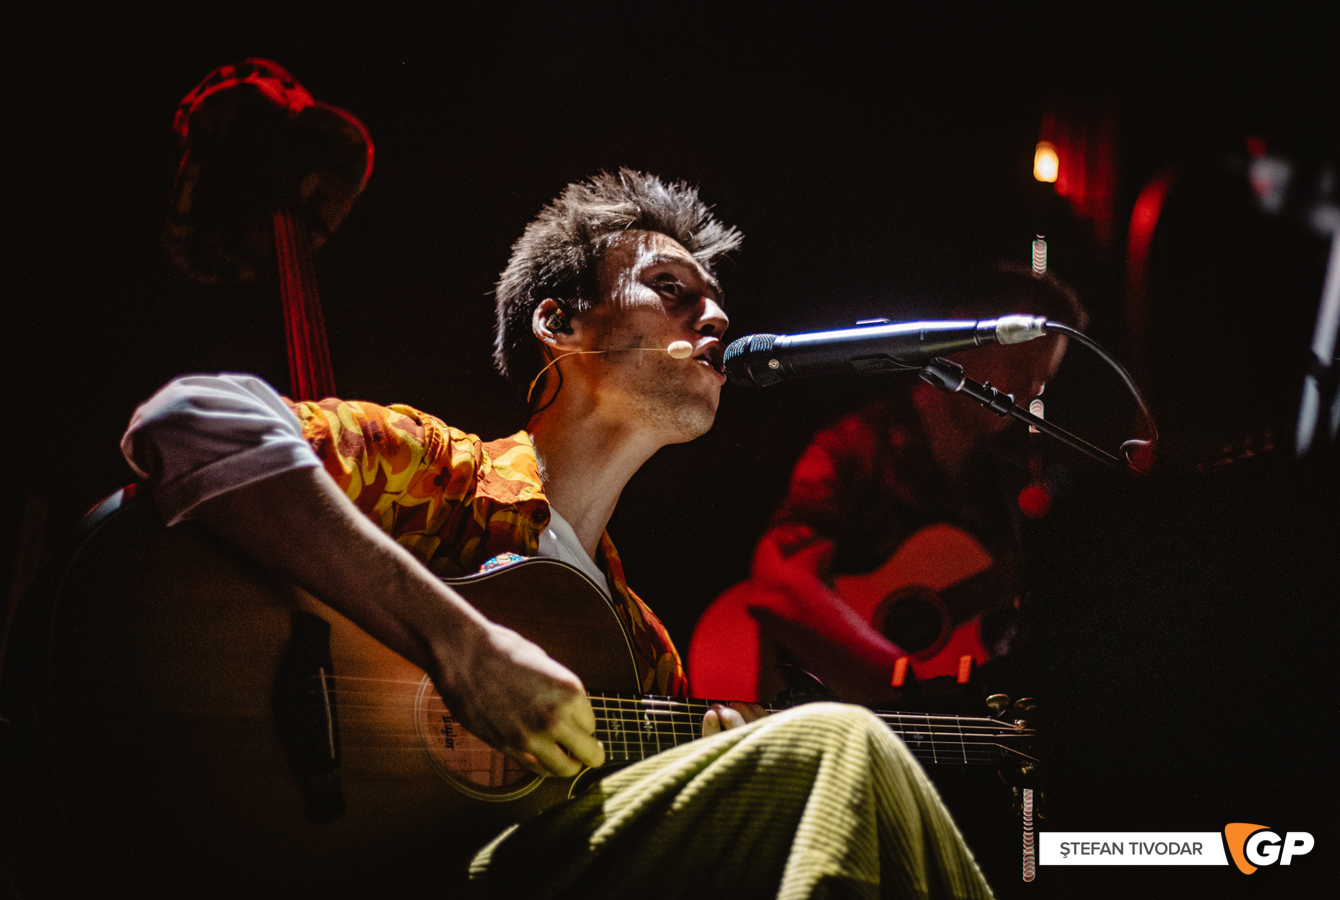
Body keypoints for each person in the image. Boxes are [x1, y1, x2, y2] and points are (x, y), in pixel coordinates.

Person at [122, 169, 995, 898]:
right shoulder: (436, 472)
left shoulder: (641, 647)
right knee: (841, 744)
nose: (717, 319)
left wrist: (733, 770)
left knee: (839, 768)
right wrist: (463, 648)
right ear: (560, 324)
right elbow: (189, 421)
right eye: (672, 291)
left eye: (718, 302)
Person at [690, 263, 1086, 707]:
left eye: (1042, 380)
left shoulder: (1007, 488)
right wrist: (895, 675)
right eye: (1017, 363)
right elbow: (780, 585)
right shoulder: (858, 446)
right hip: (820, 710)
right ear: (959, 337)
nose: (1026, 389)